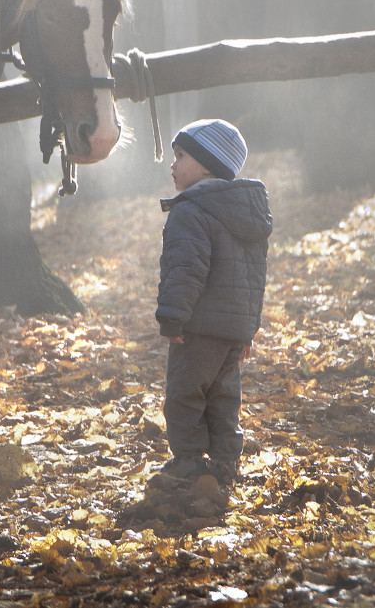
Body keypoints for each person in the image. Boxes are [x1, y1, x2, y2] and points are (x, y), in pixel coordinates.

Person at [155, 118, 272, 485]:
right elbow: (253, 277)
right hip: (232, 332)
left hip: (199, 327)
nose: (172, 164)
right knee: (223, 399)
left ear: (206, 164)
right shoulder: (243, 212)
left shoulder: (190, 210)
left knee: (185, 395)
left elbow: (186, 268)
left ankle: (188, 462)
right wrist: (247, 330)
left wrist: (173, 316)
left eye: (181, 154)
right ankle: (224, 462)